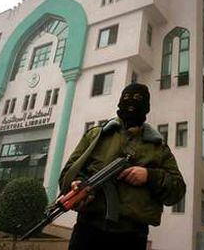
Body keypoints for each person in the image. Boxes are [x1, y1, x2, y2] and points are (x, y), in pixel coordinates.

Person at [59, 83, 186, 250]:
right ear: (119, 102)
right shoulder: (97, 136)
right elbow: (68, 173)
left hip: (131, 235)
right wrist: (77, 184)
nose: (131, 103)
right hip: (88, 229)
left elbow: (177, 190)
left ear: (146, 107)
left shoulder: (158, 147)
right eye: (126, 98)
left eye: (138, 99)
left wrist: (149, 176)